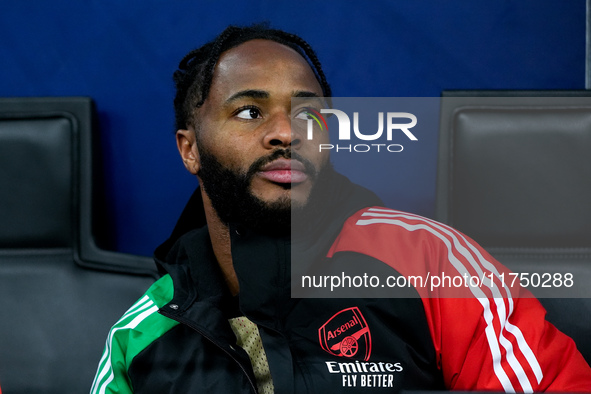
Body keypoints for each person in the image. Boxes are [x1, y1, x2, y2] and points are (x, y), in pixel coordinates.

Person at [90, 24, 591, 393]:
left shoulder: (432, 262)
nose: (287, 132)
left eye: (308, 112)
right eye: (249, 111)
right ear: (189, 149)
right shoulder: (140, 336)